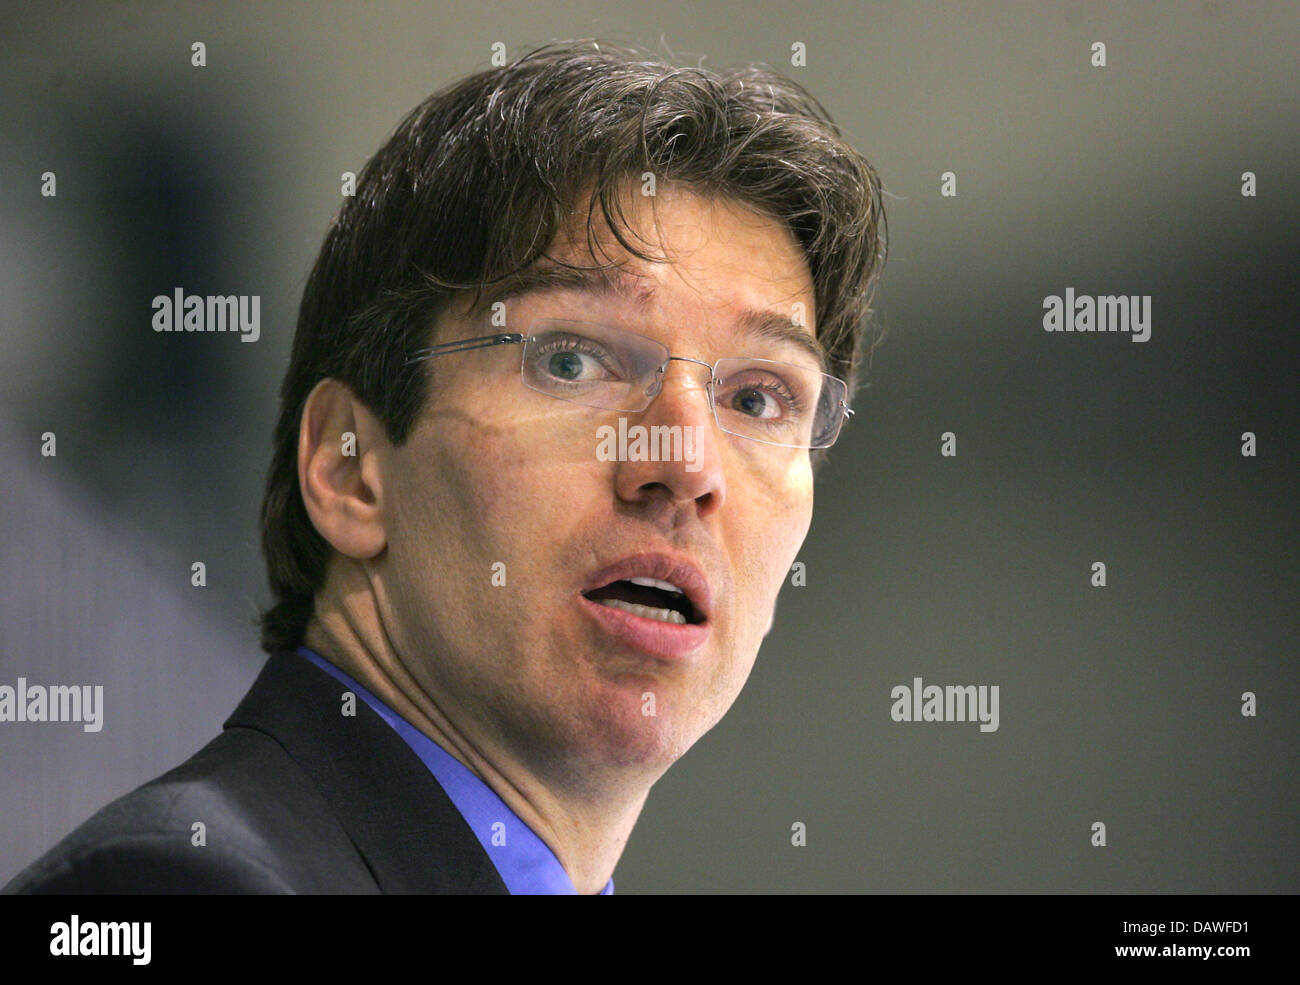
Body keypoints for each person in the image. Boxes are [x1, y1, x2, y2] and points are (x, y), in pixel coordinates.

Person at [4, 39, 886, 894]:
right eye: (572, 359)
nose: (684, 462)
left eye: (760, 399)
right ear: (351, 471)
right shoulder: (184, 883)